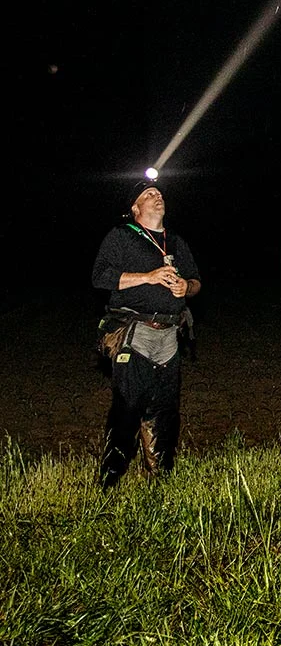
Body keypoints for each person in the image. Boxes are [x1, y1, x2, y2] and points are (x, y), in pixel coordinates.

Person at [91, 179, 202, 488]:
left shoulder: (176, 242)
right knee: (127, 408)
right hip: (134, 331)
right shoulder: (121, 237)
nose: (157, 196)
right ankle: (110, 479)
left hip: (169, 334)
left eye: (159, 193)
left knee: (166, 411)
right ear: (135, 207)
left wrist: (186, 287)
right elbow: (100, 278)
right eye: (149, 194)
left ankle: (161, 477)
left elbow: (196, 281)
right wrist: (148, 277)